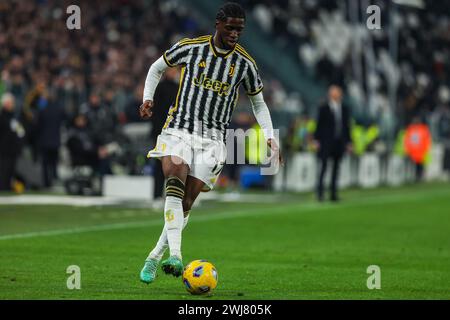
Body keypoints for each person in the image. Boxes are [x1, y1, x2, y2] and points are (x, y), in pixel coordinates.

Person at [138, 2, 282, 283]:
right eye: (230, 28)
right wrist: (147, 98)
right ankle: (176, 256)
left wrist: (270, 137)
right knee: (174, 182)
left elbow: (259, 104)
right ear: (217, 24)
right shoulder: (191, 48)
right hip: (179, 129)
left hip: (213, 139)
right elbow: (156, 68)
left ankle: (155, 255)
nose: (234, 34)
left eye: (239, 29)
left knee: (187, 202)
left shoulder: (245, 64)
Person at [313, 85, 351, 202]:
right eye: (335, 92)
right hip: (325, 142)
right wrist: (316, 140)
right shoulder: (323, 108)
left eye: (338, 92)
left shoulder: (344, 109)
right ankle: (320, 193)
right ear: (330, 94)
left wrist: (349, 142)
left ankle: (333, 194)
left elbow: (346, 127)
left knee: (336, 169)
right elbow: (319, 125)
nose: (337, 95)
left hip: (338, 142)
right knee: (323, 168)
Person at [149, 67, 180, 200]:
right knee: (159, 164)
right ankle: (156, 195)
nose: (174, 72)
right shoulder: (160, 88)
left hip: (176, 132)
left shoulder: (179, 88)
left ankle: (173, 195)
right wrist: (159, 132)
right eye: (171, 70)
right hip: (161, 132)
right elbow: (155, 113)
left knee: (177, 164)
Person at [0, 93, 25, 191]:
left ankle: (6, 187)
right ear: (6, 103)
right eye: (11, 103)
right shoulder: (2, 117)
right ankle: (2, 188)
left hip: (13, 149)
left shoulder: (13, 117)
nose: (13, 105)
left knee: (10, 170)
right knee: (4, 170)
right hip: (3, 149)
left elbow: (20, 131)